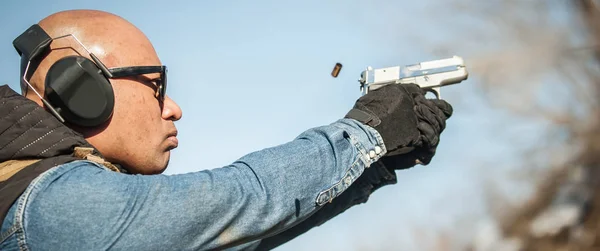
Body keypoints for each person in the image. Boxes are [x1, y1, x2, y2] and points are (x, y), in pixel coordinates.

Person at [0, 9, 453, 250]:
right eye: (156, 87)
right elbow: (236, 202)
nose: (173, 109)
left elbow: (239, 234)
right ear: (81, 88)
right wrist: (364, 133)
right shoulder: (44, 207)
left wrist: (371, 167)